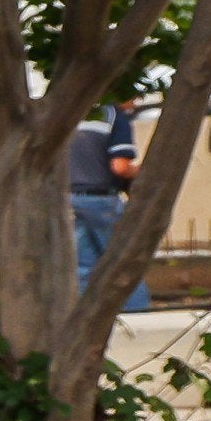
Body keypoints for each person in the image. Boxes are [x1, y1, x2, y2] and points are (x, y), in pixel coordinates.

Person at [67, 103, 137, 295]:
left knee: (83, 267)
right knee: (123, 264)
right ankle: (136, 313)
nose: (136, 102)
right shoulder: (114, 116)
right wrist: (143, 170)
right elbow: (120, 166)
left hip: (69, 200)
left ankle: (85, 316)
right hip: (102, 201)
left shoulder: (70, 113)